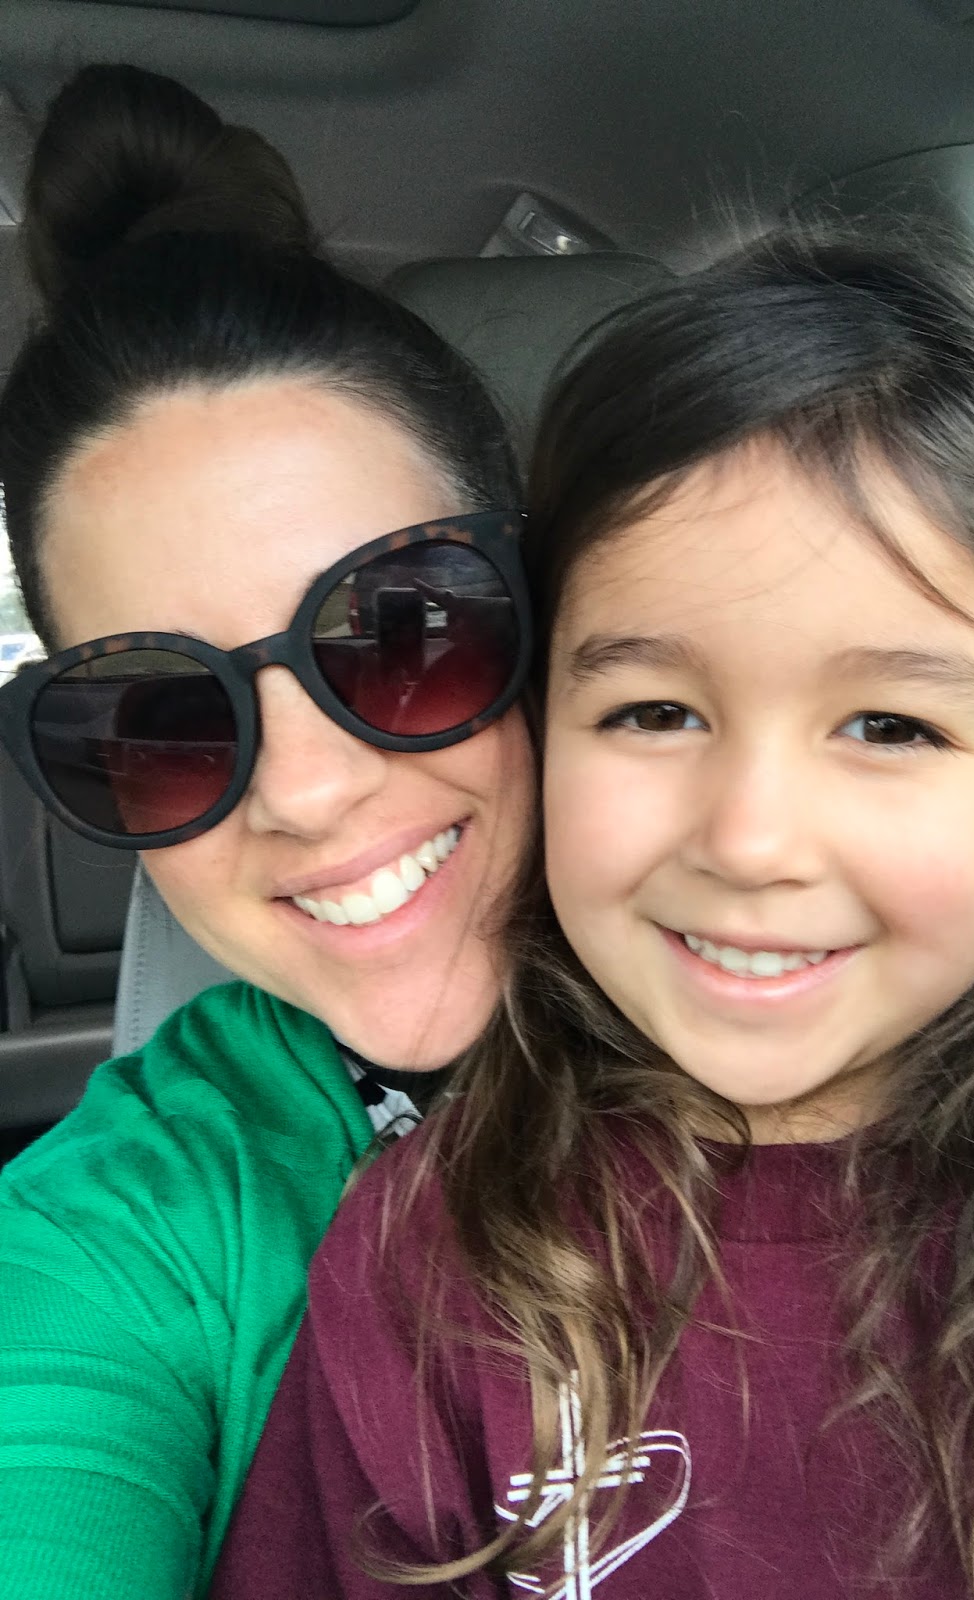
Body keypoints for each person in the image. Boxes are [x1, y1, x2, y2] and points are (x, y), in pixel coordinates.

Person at [213, 230, 974, 1599]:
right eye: (655, 712)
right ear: (538, 734)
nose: (748, 840)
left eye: (888, 726)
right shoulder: (427, 1262)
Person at [0, 65, 533, 1600]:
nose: (300, 792)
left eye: (403, 633)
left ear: (540, 600)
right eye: (161, 714)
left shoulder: (861, 940)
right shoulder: (128, 1221)